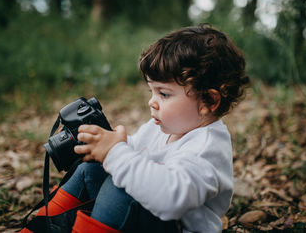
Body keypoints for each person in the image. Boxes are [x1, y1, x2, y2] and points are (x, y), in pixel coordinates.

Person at [21, 24, 249, 233]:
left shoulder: (206, 147)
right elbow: (134, 155)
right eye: (151, 91)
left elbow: (170, 198)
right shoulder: (160, 128)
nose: (152, 101)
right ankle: (40, 227)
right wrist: (104, 144)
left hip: (176, 227)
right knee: (91, 170)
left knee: (121, 187)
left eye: (164, 94)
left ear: (209, 101)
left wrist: (116, 153)